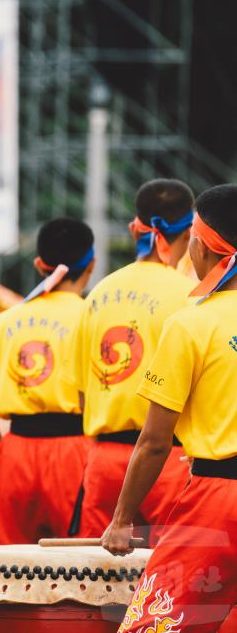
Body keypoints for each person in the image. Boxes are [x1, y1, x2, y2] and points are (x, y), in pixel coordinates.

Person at [103, 184, 237, 632]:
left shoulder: (192, 323)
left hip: (218, 499)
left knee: (154, 624)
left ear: (201, 246)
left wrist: (121, 520)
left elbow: (156, 442)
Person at [65, 179, 197, 540]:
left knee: (97, 588)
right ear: (191, 232)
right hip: (169, 463)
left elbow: (81, 394)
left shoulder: (97, 294)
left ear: (134, 227)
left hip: (105, 463)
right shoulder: (192, 296)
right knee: (171, 583)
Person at [0, 218, 95, 544]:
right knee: (79, 572)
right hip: (77, 454)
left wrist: (2, 461)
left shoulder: (6, 321)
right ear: (90, 266)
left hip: (15, 453)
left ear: (39, 265)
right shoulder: (95, 318)